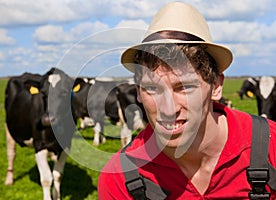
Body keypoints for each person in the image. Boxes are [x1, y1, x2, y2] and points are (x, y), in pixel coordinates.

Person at [98, 2, 276, 199]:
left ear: (216, 86)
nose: (168, 109)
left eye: (184, 88)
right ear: (139, 92)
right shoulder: (119, 178)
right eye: (153, 89)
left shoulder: (270, 147)